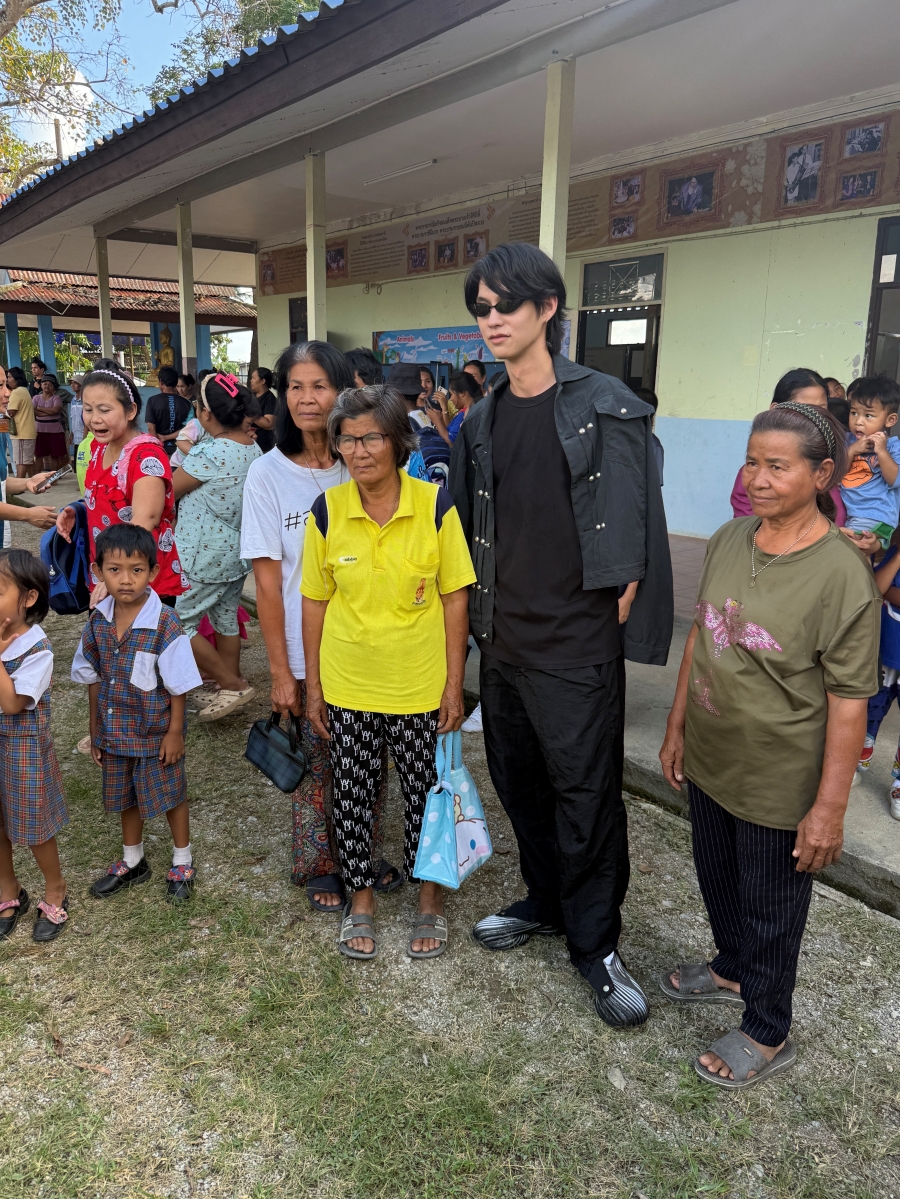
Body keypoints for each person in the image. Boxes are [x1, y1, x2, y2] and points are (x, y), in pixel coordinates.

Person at [450, 241, 672, 1027]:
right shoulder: (478, 420)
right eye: (482, 308)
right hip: (502, 641)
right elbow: (466, 527)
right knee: (520, 782)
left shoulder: (606, 402)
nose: (493, 320)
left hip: (577, 644)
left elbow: (639, 511)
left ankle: (595, 942)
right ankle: (544, 899)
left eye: (507, 304)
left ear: (548, 310)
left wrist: (630, 588)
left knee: (587, 795)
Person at [659, 402, 879, 1088]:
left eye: (776, 466)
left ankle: (767, 1026)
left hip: (779, 776)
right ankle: (731, 965)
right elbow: (700, 635)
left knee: (772, 903)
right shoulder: (732, 537)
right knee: (718, 876)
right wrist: (677, 726)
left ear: (821, 475)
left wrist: (829, 808)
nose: (756, 476)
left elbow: (849, 704)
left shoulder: (841, 574)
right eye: (752, 460)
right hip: (714, 756)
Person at [302, 384, 475, 960]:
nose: (360, 450)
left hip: (421, 686)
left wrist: (455, 685)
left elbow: (455, 597)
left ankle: (430, 901)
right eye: (347, 439)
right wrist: (315, 689)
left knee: (427, 795)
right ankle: (362, 901)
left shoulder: (435, 505)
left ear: (399, 441)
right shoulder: (328, 511)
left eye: (372, 436)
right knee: (352, 794)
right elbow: (315, 601)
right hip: (351, 683)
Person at [240, 341, 400, 908]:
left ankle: (365, 851)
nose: (307, 399)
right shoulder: (266, 474)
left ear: (342, 392)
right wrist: (281, 671)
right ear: (282, 397)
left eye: (320, 387)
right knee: (315, 761)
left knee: (367, 758)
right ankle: (319, 864)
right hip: (306, 652)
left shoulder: (361, 462)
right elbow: (266, 582)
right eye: (295, 388)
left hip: (366, 646)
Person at [72, 525, 202, 903]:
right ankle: (134, 859)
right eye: (115, 570)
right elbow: (93, 676)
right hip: (115, 731)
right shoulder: (97, 622)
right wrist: (95, 728)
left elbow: (177, 683)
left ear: (153, 572)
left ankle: (182, 858)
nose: (126, 580)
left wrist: (175, 731)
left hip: (155, 731)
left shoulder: (165, 624)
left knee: (170, 795)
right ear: (98, 572)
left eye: (136, 570)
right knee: (125, 795)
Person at [55, 360, 185, 607]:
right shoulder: (97, 447)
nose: (94, 419)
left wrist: (115, 573)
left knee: (140, 644)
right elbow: (105, 496)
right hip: (107, 572)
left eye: (104, 410)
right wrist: (79, 508)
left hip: (138, 579)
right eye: (88, 409)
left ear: (131, 411)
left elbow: (145, 520)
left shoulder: (146, 457)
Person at [172, 373, 260, 721]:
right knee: (225, 618)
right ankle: (230, 684)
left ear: (206, 415)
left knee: (176, 623)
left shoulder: (209, 453)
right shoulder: (252, 448)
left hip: (201, 556)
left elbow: (170, 489)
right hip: (234, 554)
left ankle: (231, 683)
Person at [0, 549, 69, 942]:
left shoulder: (37, 650)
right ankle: (9, 890)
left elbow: (12, 704)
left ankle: (54, 887)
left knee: (34, 824)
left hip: (21, 748)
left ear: (27, 598)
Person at [729, 369, 848, 526]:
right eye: (804, 409)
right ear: (775, 410)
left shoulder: (827, 463)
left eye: (821, 409)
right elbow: (750, 527)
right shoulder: (754, 476)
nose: (814, 418)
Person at [855, 531, 900, 816]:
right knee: (870, 709)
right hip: (886, 658)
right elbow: (877, 586)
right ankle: (854, 763)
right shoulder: (895, 557)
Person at [840, 375, 900, 550]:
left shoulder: (893, 446)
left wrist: (881, 452)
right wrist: (852, 451)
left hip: (875, 515)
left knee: (847, 551)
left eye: (868, 415)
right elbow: (836, 475)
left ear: (890, 420)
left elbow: (895, 479)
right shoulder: (847, 441)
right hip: (850, 513)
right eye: (854, 413)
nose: (858, 421)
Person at [145, 366, 193, 458]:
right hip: (181, 450)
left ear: (161, 382)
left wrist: (159, 444)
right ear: (176, 383)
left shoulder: (152, 401)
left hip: (160, 449)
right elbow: (189, 429)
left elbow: (151, 428)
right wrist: (167, 437)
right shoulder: (187, 404)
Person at [32, 374, 68, 472]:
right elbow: (32, 411)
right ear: (41, 385)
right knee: (39, 455)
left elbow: (55, 411)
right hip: (39, 430)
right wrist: (48, 412)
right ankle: (37, 476)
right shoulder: (36, 398)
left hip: (55, 431)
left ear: (53, 387)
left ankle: (53, 478)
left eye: (50, 384)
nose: (47, 386)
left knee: (55, 456)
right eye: (45, 383)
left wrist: (40, 409)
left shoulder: (56, 398)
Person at [7, 367, 37, 479]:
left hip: (21, 433)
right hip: (27, 432)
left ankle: (19, 485)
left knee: (21, 461)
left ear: (17, 378)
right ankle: (35, 483)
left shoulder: (16, 392)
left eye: (9, 377)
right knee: (28, 460)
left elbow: (10, 413)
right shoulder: (24, 390)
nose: (7, 380)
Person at [248, 367, 278, 453]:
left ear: (262, 381)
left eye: (254, 378)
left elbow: (269, 424)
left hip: (263, 447)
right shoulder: (250, 396)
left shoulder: (270, 399)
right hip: (249, 443)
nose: (251, 380)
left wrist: (249, 413)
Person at [68, 375, 85, 451]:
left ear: (81, 385)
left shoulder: (85, 400)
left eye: (75, 383)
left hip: (85, 435)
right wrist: (72, 433)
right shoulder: (73, 400)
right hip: (76, 437)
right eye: (71, 383)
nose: (72, 385)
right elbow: (73, 418)